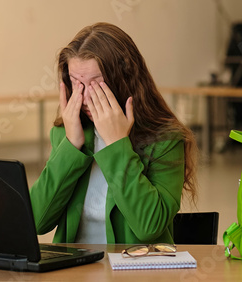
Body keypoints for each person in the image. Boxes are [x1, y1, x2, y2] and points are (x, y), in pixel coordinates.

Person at [30, 22, 198, 244]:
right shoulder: (69, 133)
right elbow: (36, 222)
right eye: (76, 83)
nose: (85, 97)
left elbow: (149, 226)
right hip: (75, 271)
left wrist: (117, 145)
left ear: (126, 80)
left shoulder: (166, 139)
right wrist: (71, 146)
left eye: (96, 84)